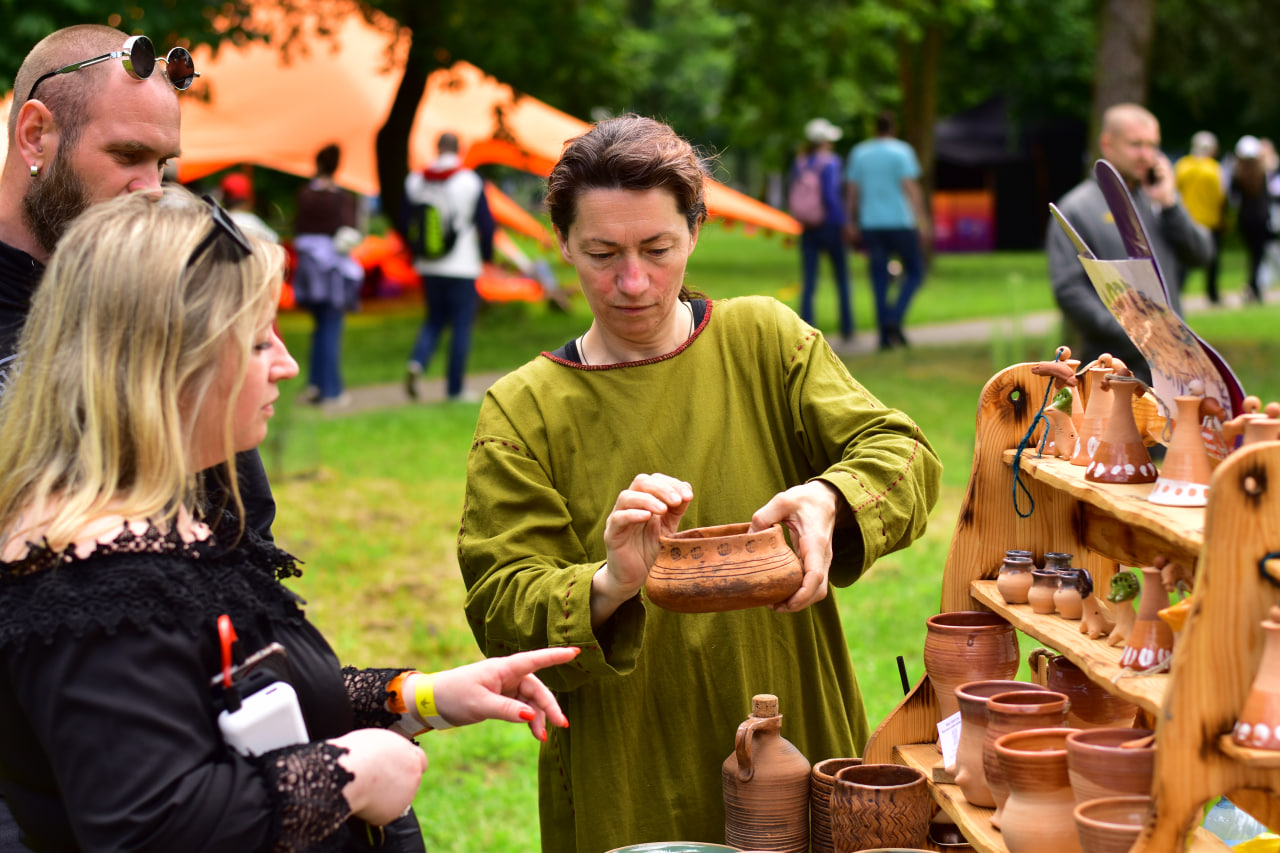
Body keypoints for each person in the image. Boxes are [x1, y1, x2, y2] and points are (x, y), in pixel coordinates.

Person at [0, 186, 577, 851]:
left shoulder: (158, 520)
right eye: (256, 341)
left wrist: (417, 696)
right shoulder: (93, 575)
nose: (287, 364)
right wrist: (349, 775)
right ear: (168, 364)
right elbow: (148, 823)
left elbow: (242, 692)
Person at [456, 114, 942, 852]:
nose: (632, 281)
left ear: (695, 230)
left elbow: (901, 453)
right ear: (561, 244)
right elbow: (500, 606)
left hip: (795, 718)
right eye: (600, 253)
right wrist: (609, 581)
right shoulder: (524, 410)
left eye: (658, 248)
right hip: (629, 766)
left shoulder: (764, 340)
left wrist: (830, 496)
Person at [1045, 103, 1213, 385]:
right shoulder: (1076, 209)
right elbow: (1069, 290)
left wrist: (1171, 205)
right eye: (1136, 145)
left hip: (1174, 368)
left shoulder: (1159, 200)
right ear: (1107, 144)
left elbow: (1201, 254)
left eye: (1153, 146)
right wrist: (1136, 332)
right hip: (1110, 368)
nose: (1147, 156)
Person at [401, 132, 495, 402]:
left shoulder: (415, 180)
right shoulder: (469, 180)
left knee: (433, 318)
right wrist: (487, 257)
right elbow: (486, 225)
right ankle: (454, 389)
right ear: (459, 150)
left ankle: (417, 362)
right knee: (461, 325)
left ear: (437, 147)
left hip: (428, 264)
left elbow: (406, 220)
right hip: (462, 264)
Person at [844, 110, 930, 350]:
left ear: (875, 129)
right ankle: (894, 317)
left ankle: (884, 334)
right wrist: (922, 221)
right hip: (901, 223)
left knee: (879, 278)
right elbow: (911, 188)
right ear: (894, 129)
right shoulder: (902, 151)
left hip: (871, 224)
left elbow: (852, 190)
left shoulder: (860, 153)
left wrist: (850, 220)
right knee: (915, 271)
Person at [292, 143, 364, 407]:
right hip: (333, 271)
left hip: (310, 270)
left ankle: (315, 385)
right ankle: (331, 390)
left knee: (320, 328)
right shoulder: (342, 199)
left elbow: (297, 225)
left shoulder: (304, 195)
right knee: (331, 328)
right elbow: (350, 232)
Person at [791, 117, 853, 344]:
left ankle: (805, 330)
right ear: (825, 140)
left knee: (809, 280)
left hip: (808, 226)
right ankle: (847, 328)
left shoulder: (800, 162)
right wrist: (844, 223)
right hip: (830, 226)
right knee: (842, 278)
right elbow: (831, 197)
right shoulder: (831, 162)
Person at [1174, 131, 1226, 303]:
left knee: (1184, 260)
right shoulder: (1213, 168)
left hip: (1187, 218)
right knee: (1212, 261)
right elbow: (1221, 195)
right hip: (1209, 220)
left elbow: (1174, 191)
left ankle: (1176, 291)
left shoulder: (1183, 166)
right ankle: (1212, 294)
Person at [1229, 135, 1273, 304]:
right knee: (1257, 255)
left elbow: (1233, 198)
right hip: (1260, 217)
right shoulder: (1262, 172)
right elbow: (1267, 197)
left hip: (1245, 218)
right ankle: (1254, 287)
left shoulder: (1238, 174)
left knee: (1253, 254)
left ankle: (1254, 286)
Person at [221, 170, 279, 243]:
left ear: (223, 198)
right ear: (249, 199)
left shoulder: (217, 220)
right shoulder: (253, 222)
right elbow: (275, 240)